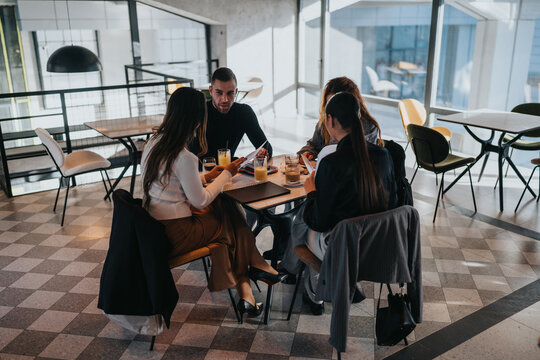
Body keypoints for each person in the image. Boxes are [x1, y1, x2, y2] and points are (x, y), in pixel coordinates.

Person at [141, 87, 286, 323]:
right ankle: (254, 272)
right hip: (177, 233)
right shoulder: (184, 156)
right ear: (197, 118)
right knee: (228, 225)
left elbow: (169, 180)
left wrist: (208, 177)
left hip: (155, 226)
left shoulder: (154, 143)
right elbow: (200, 200)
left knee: (228, 209)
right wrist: (226, 174)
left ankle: (247, 291)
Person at [282, 92, 397, 315]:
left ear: (330, 120)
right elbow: (391, 203)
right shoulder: (383, 156)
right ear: (358, 116)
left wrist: (311, 192)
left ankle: (309, 285)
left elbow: (319, 221)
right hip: (378, 247)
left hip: (342, 250)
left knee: (301, 222)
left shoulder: (331, 163)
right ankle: (303, 275)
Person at [189, 67, 272, 160]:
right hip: (201, 173)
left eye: (230, 93)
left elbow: (265, 146)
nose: (225, 99)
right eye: (219, 93)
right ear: (211, 91)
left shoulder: (244, 113)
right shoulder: (199, 113)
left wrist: (263, 152)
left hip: (229, 172)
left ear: (236, 92)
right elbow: (192, 157)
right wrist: (236, 161)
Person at [298, 77, 383, 162]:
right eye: (329, 105)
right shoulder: (326, 121)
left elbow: (354, 157)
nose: (333, 112)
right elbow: (314, 145)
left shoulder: (369, 127)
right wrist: (308, 152)